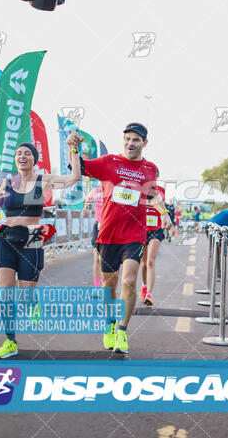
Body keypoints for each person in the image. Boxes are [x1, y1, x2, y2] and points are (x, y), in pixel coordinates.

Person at [68, 123, 172, 354]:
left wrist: (164, 214)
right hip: (108, 233)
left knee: (128, 281)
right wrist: (73, 149)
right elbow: (78, 169)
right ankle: (109, 325)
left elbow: (152, 194)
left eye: (136, 139)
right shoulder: (108, 162)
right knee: (109, 284)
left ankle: (123, 331)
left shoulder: (149, 168)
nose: (130, 143)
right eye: (127, 139)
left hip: (134, 234)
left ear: (145, 143)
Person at [0, 139, 81, 359]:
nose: (22, 156)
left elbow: (74, 178)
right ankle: (10, 341)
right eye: (19, 153)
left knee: (26, 294)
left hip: (31, 237)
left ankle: (31, 302)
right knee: (5, 292)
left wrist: (74, 150)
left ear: (34, 159)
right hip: (6, 238)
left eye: (27, 153)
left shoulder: (43, 180)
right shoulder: (7, 182)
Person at [140, 177, 166, 306]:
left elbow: (162, 206)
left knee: (150, 261)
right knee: (143, 263)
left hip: (156, 229)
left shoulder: (160, 191)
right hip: (141, 229)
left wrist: (167, 217)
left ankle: (149, 293)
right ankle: (144, 286)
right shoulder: (139, 189)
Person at [83, 183, 103, 288]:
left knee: (107, 259)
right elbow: (89, 199)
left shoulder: (114, 190)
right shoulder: (96, 190)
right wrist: (86, 206)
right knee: (97, 258)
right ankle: (97, 287)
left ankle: (108, 285)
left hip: (111, 227)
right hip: (98, 226)